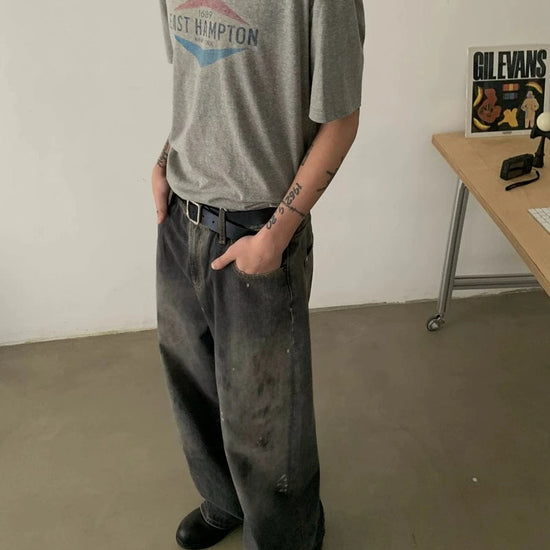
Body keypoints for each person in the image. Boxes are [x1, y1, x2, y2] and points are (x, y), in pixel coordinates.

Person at [153, 1, 365, 549]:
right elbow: (200, 84)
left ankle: (288, 538)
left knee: (268, 419)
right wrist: (165, 159)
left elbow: (341, 120)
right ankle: (224, 501)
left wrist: (277, 233)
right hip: (180, 217)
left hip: (259, 228)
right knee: (192, 386)